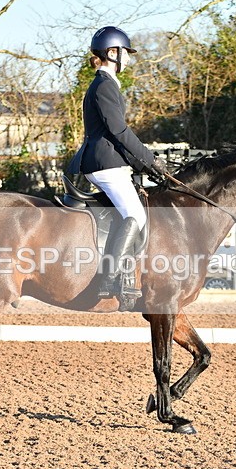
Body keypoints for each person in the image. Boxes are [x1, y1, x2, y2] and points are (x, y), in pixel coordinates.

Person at [69, 25, 167, 305]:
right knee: (136, 215)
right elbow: (119, 132)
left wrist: (144, 165)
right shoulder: (103, 85)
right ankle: (110, 278)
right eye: (126, 53)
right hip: (105, 164)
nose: (129, 59)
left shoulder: (107, 84)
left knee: (133, 212)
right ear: (112, 53)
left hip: (109, 162)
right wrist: (151, 161)